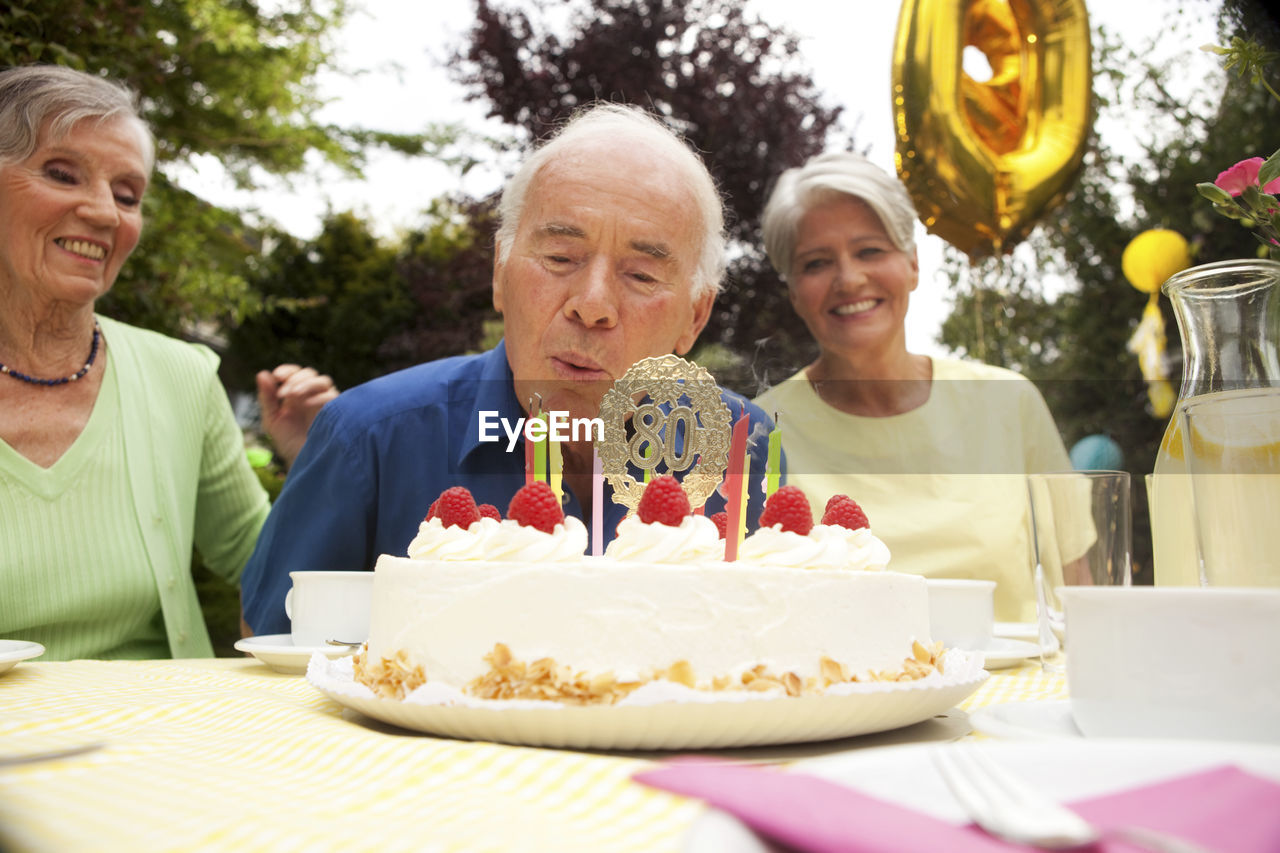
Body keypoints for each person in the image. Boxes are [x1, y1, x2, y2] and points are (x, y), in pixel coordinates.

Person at [240, 103, 775, 636]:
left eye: (639, 274)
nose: (591, 305)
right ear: (500, 271)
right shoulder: (368, 437)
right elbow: (275, 649)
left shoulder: (742, 445)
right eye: (561, 258)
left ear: (695, 316)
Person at [0, 65, 337, 660]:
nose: (105, 214)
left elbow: (265, 571)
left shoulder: (181, 376)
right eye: (62, 173)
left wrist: (313, 464)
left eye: (127, 195)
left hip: (163, 737)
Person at [752, 151, 1071, 621]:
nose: (849, 278)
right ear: (794, 293)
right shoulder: (757, 431)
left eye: (870, 251)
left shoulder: (1011, 402)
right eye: (817, 263)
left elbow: (1081, 587)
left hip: (1018, 693)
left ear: (914, 265)